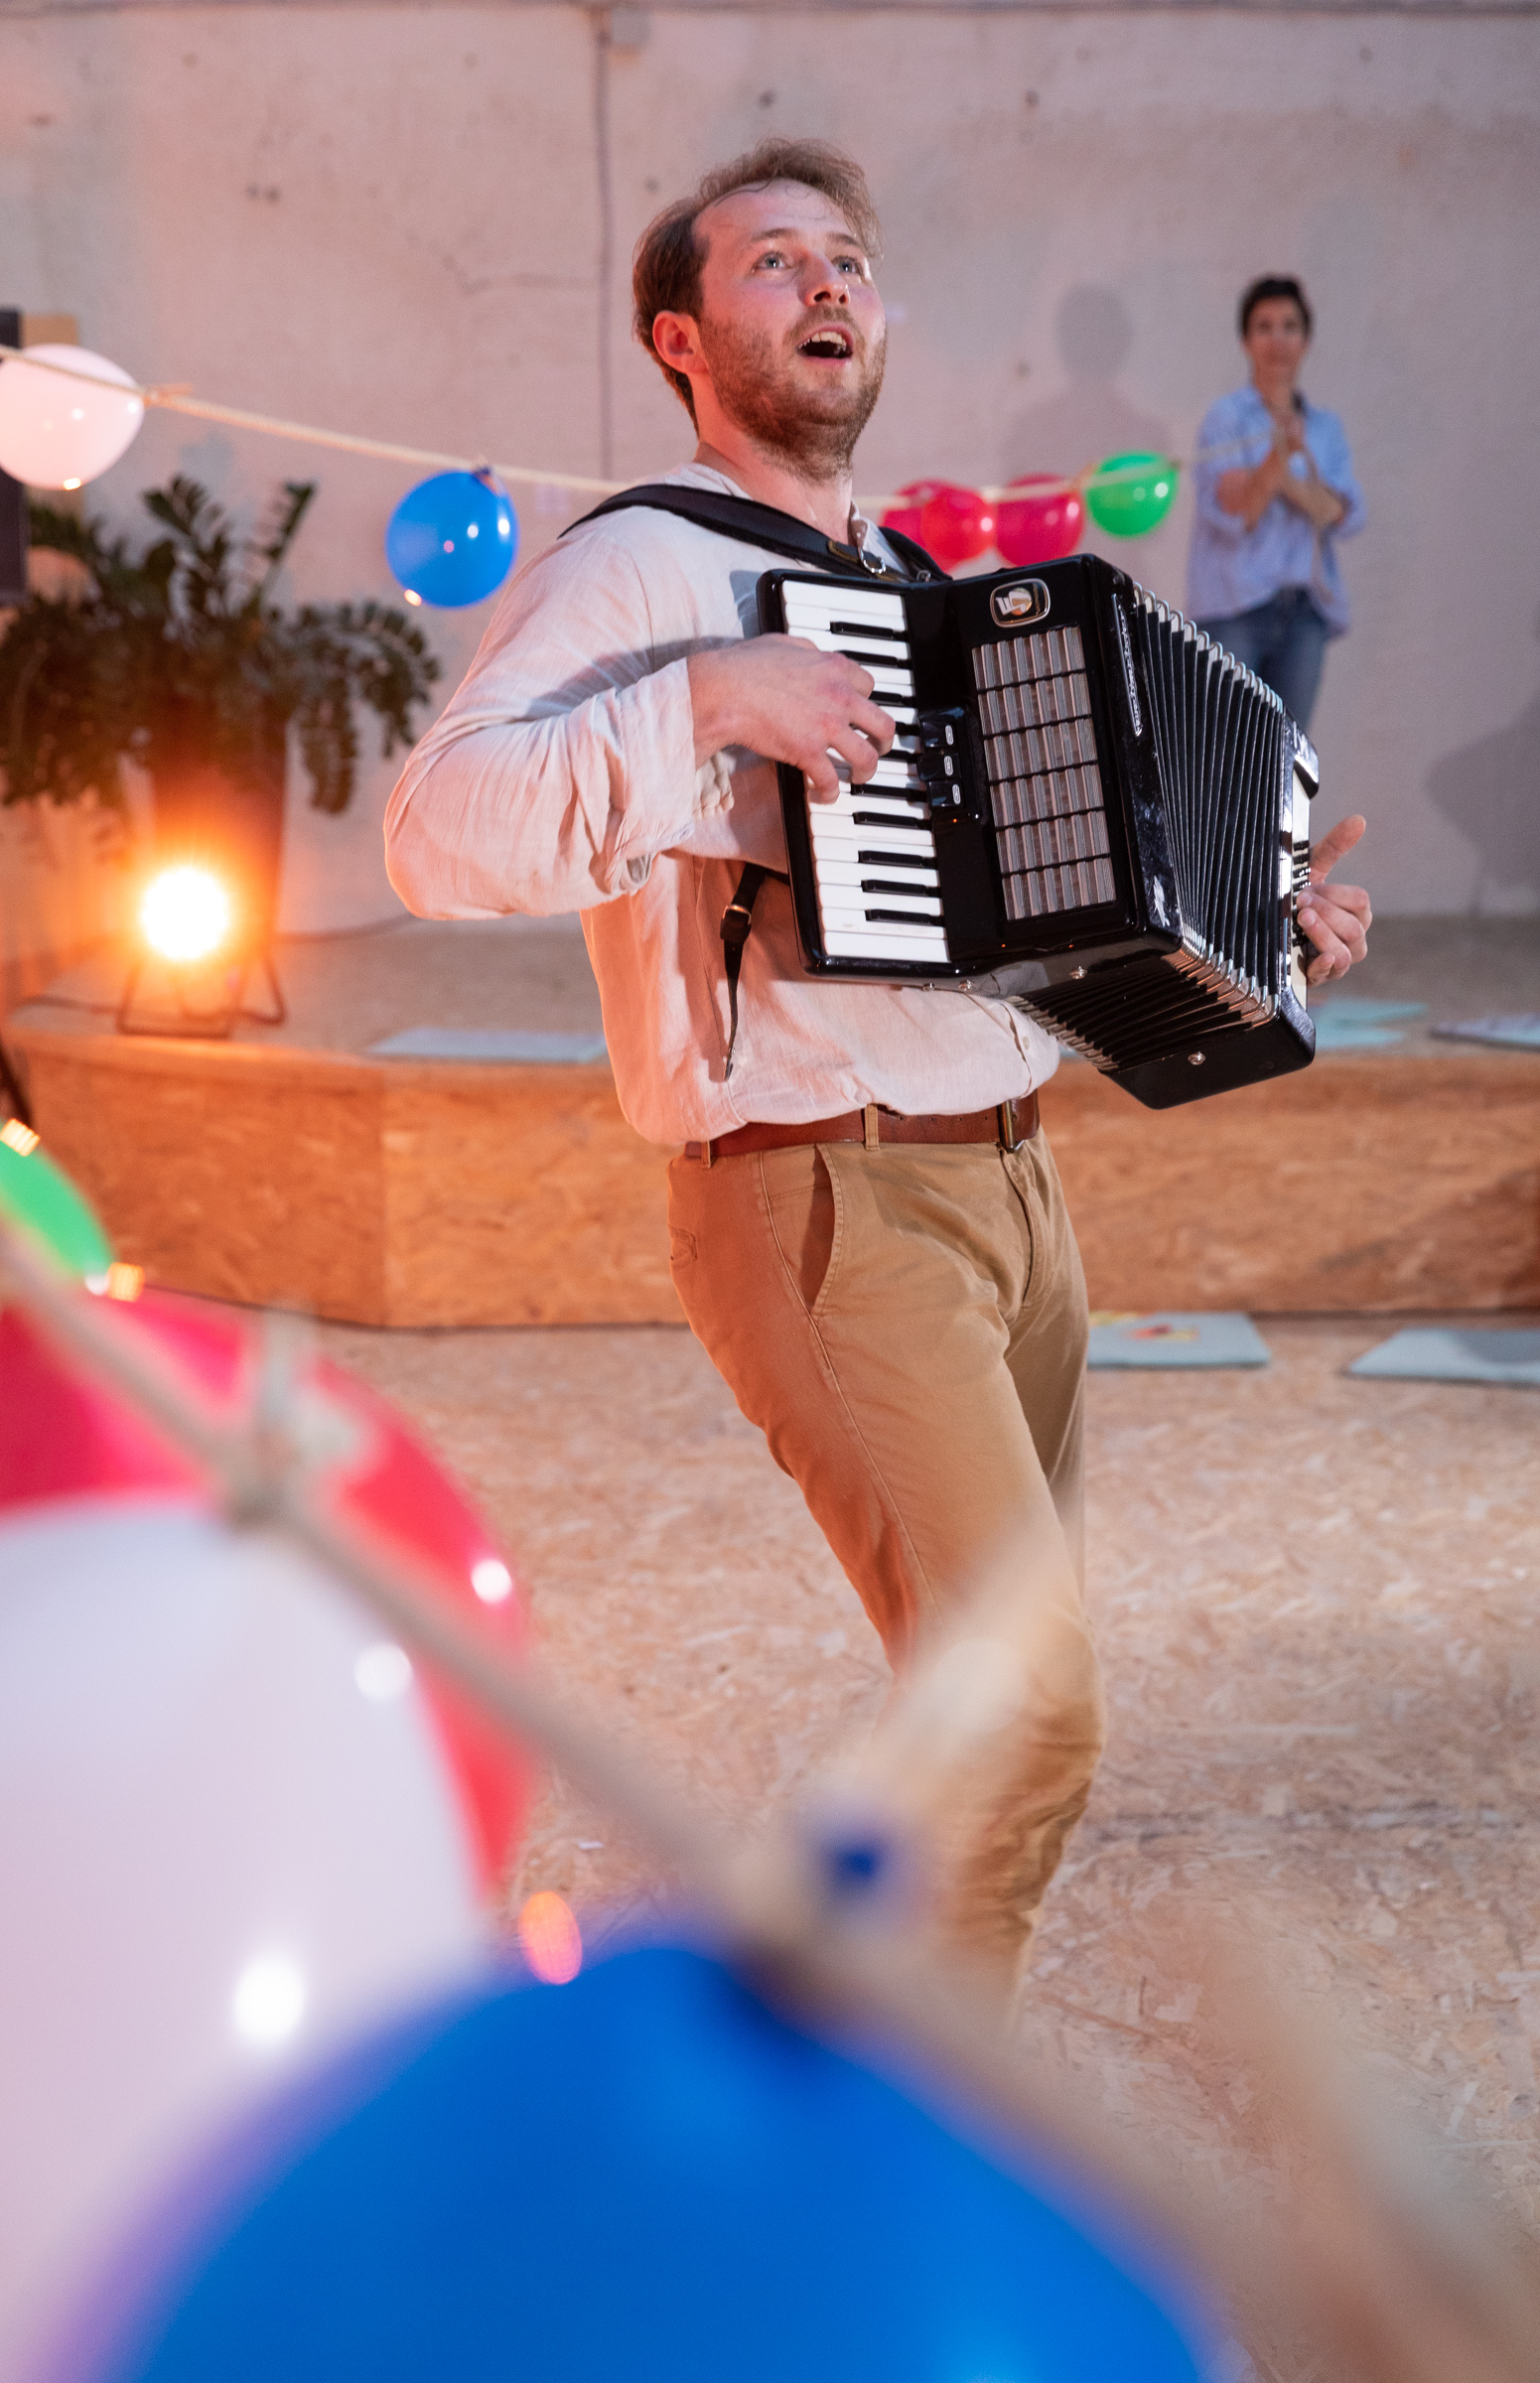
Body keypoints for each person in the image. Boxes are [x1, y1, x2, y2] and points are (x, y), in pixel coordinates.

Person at [385, 143, 1372, 1993]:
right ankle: (913, 2103)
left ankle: (868, 2062)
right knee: (1023, 1719)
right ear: (682, 338)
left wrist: (1261, 923)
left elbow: (1041, 905)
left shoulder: (913, 581)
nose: (827, 283)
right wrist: (707, 701)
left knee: (979, 1713)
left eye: (845, 257)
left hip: (1013, 1192)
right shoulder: (643, 565)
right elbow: (434, 834)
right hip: (825, 1197)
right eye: (773, 261)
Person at [1188, 276, 1365, 733]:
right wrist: (1286, 468)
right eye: (1264, 327)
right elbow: (1236, 512)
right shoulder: (1225, 418)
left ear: (1307, 341)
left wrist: (1273, 477)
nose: (1277, 340)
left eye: (1289, 326)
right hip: (1233, 607)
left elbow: (1343, 514)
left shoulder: (1324, 427)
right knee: (1225, 749)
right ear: (1245, 341)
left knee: (1288, 754)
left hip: (1304, 610)